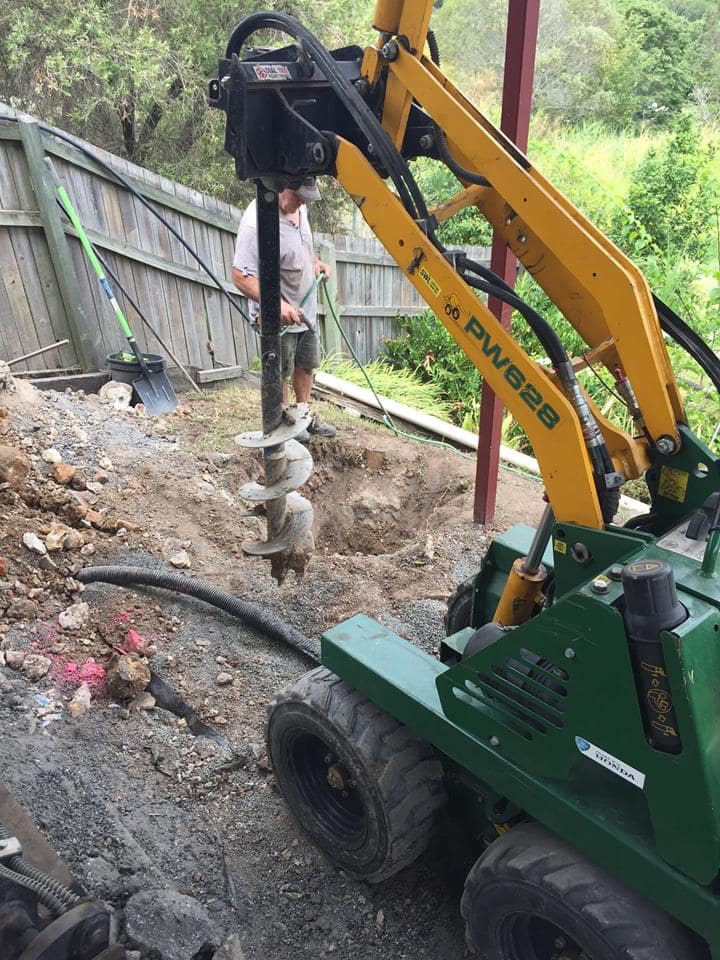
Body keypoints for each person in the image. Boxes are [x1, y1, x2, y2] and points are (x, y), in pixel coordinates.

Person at [231, 177, 337, 440]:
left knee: (305, 365)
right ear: (279, 186)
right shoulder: (256, 224)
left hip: (306, 313)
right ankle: (287, 421)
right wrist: (277, 305)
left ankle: (305, 415)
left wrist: (315, 263)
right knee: (281, 371)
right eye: (298, 195)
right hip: (280, 319)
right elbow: (241, 276)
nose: (303, 202)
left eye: (307, 197)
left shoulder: (299, 208)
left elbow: (298, 248)